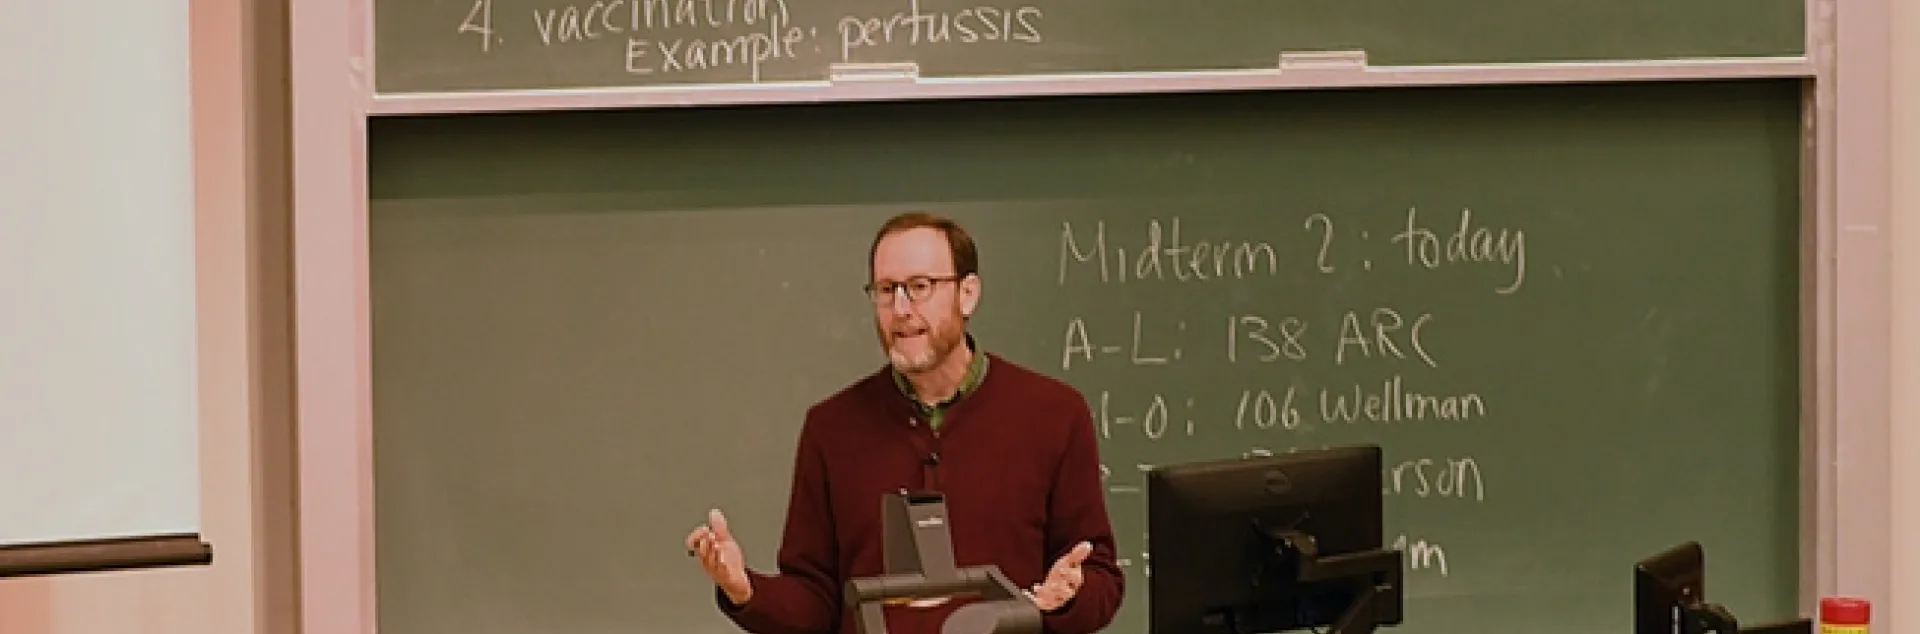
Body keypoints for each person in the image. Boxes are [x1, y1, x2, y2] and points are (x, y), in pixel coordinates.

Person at [685, 211, 1125, 634]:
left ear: (967, 293)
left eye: (920, 286)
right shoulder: (832, 428)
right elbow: (816, 601)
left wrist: (1069, 596)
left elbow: (1101, 581)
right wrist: (745, 590)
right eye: (885, 289)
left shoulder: (1053, 413)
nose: (900, 308)